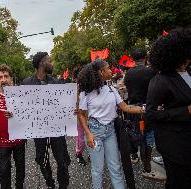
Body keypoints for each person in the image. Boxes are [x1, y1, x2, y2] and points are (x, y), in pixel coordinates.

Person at [78, 59, 144, 189]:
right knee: (98, 169)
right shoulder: (85, 92)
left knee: (116, 166)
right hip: (94, 133)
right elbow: (81, 115)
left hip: (110, 132)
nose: (111, 70)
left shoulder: (111, 88)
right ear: (101, 72)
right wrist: (88, 134)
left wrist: (145, 109)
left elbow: (125, 107)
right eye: (108, 68)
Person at [146, 28, 191, 189]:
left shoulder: (188, 73)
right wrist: (186, 111)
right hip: (176, 144)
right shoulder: (160, 81)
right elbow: (151, 114)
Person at [22, 52, 71, 189]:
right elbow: (22, 107)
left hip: (57, 130)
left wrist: (70, 110)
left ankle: (63, 185)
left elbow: (63, 104)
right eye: (50, 60)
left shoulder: (56, 82)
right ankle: (50, 183)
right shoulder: (26, 84)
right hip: (39, 131)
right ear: (42, 63)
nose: (52, 63)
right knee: (42, 160)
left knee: (62, 161)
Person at [123, 48, 165, 180]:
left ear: (133, 59)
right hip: (148, 108)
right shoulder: (151, 72)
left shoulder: (128, 73)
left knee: (134, 133)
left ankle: (134, 156)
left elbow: (127, 89)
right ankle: (147, 169)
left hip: (132, 108)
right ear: (145, 58)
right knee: (148, 137)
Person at [0, 64, 26, 189]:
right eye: (0, 77)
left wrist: (16, 114)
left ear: (11, 78)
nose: (3, 80)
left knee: (20, 169)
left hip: (19, 140)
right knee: (4, 171)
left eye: (6, 76)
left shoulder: (20, 94)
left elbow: (29, 114)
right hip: (1, 142)